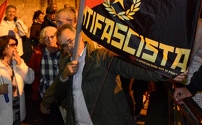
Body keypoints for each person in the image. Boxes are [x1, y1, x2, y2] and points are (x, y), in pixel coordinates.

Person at [53, 24, 186, 125]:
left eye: (70, 41)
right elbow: (58, 94)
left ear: (79, 36)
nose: (69, 47)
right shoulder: (66, 63)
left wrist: (164, 73)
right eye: (64, 45)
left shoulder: (102, 56)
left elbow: (132, 68)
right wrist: (64, 76)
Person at [27, 26, 64, 124]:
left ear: (57, 37)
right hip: (47, 99)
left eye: (52, 36)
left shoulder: (65, 53)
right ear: (42, 40)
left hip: (64, 99)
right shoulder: (38, 55)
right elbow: (31, 76)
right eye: (46, 37)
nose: (49, 39)